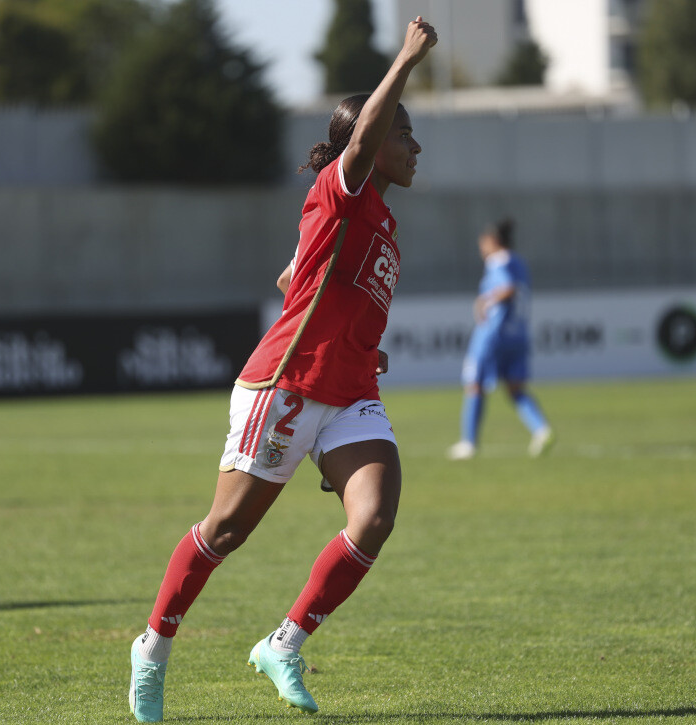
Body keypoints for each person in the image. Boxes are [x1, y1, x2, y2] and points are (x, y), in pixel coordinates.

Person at [128, 16, 436, 722]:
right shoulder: (346, 181)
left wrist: (360, 342)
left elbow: (303, 277)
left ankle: (284, 641)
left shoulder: (379, 219)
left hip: (350, 389)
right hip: (287, 386)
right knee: (227, 529)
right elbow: (358, 144)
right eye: (403, 132)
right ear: (372, 141)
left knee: (376, 514)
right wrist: (407, 60)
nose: (414, 145)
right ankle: (153, 647)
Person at [447, 217, 553, 461]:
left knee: (474, 384)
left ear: (493, 241)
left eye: (483, 244)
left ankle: (469, 443)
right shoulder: (520, 262)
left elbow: (508, 287)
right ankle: (541, 429)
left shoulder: (499, 261)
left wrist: (485, 301)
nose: (481, 249)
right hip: (518, 335)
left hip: (493, 335)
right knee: (515, 388)